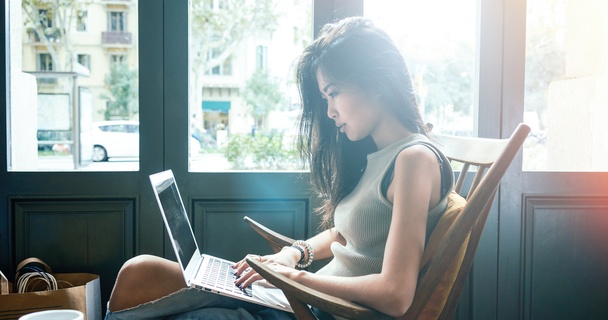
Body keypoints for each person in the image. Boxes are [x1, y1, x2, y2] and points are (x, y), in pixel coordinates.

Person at [104, 16, 454, 320]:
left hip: (316, 310)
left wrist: (293, 280)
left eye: (333, 93)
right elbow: (349, 233)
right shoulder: (379, 155)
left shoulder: (414, 160)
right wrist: (293, 255)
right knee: (138, 273)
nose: (330, 112)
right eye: (325, 98)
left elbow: (396, 294)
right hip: (299, 299)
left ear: (375, 82)